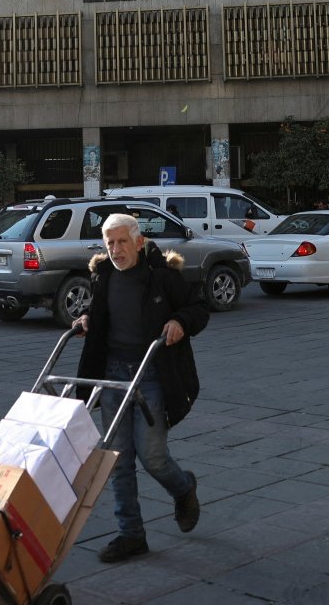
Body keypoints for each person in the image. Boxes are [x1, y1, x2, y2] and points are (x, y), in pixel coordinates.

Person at [71, 213, 205, 563]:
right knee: (118, 460)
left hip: (151, 375)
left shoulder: (162, 278)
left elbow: (199, 307)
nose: (116, 250)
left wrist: (180, 321)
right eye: (109, 243)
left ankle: (184, 487)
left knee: (153, 457)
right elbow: (99, 311)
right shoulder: (102, 276)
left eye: (122, 242)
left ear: (138, 242)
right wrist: (86, 318)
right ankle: (131, 534)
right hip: (112, 375)